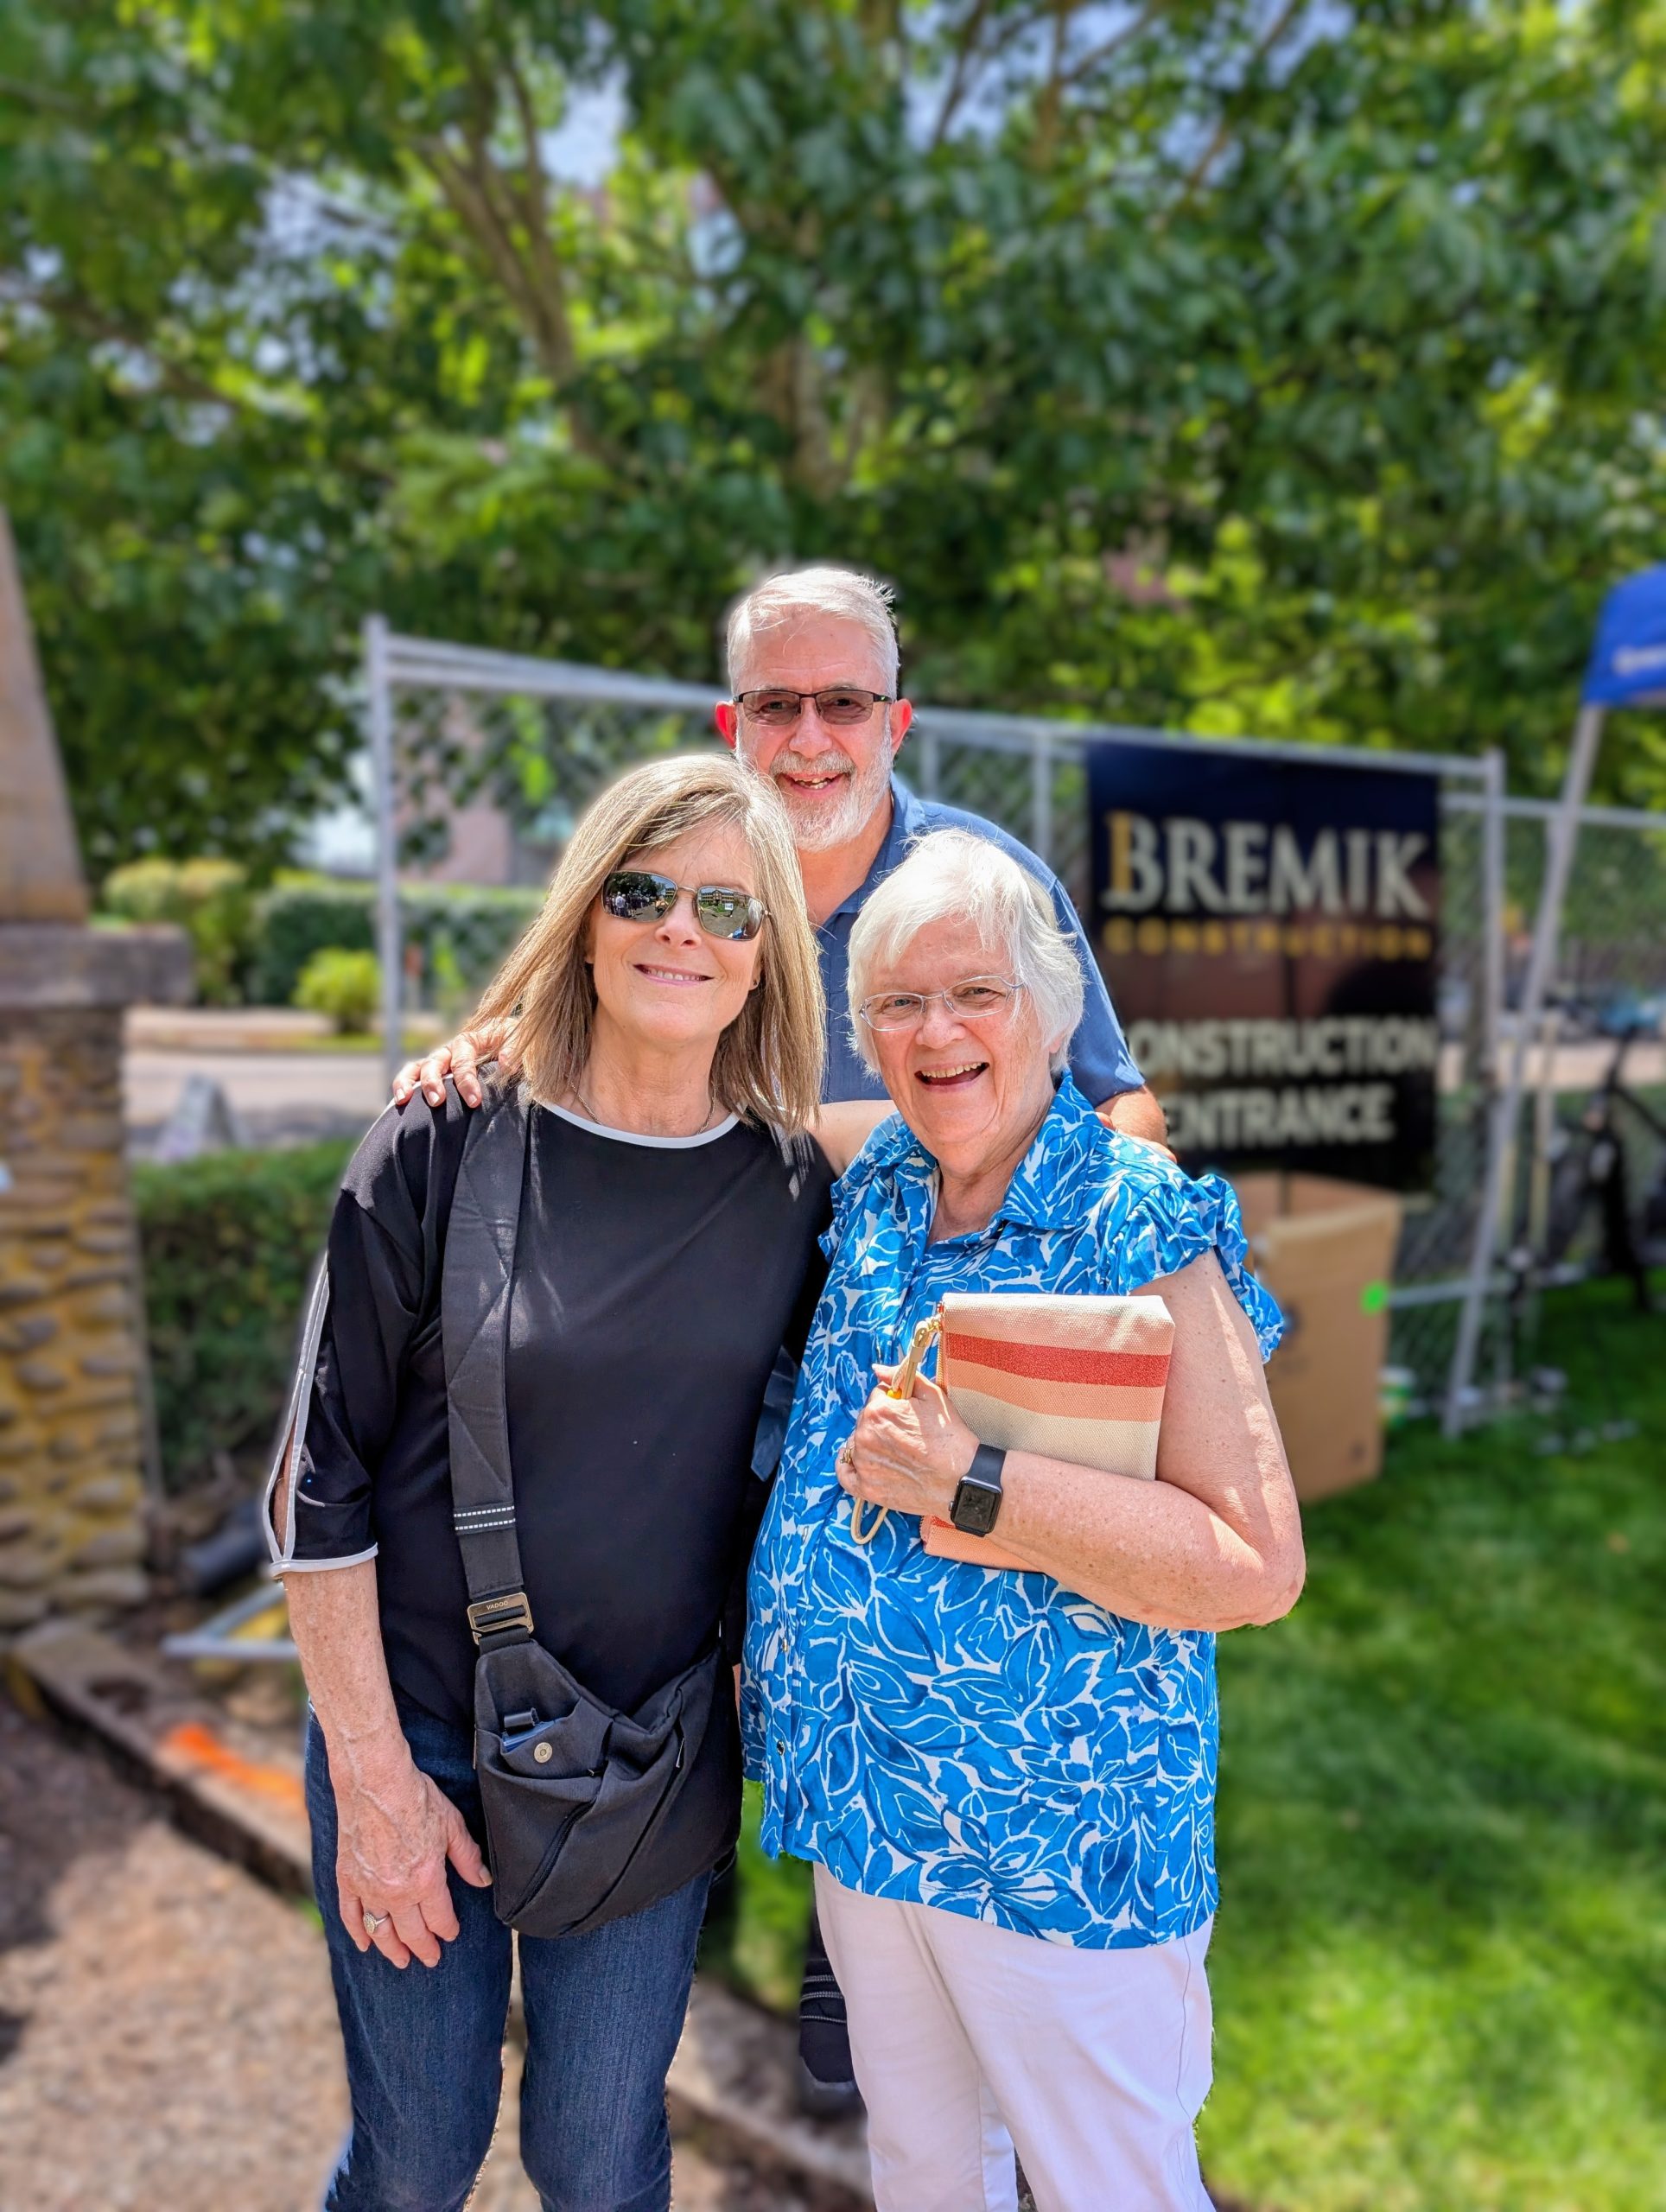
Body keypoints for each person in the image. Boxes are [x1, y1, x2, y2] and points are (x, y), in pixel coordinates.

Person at [392, 562, 1167, 2111]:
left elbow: (1123, 1114)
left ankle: (844, 1917)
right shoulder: (688, 870)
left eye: (845, 704)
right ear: (728, 720)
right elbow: (586, 1032)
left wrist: (842, 1151)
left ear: (899, 720)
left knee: (879, 1634)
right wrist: (490, 1054)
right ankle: (686, 1868)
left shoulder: (978, 881)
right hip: (691, 1339)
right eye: (777, 705)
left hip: (892, 1364)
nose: (811, 738)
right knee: (703, 1614)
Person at [266, 756, 862, 2212]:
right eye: (644, 892)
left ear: (767, 954)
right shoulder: (437, 1142)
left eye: (728, 908)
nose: (682, 930)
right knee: (418, 2160)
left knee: (598, 2162)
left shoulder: (796, 1192)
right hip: (419, 1740)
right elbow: (312, 1496)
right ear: (588, 914)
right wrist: (376, 1785)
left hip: (649, 1756)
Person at [743, 829, 1305, 2212]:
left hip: (1059, 1849)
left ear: (1053, 1015)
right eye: (899, 1004)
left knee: (1108, 2186)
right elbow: (696, 1096)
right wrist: (517, 1047)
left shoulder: (1134, 1217)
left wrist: (972, 1481)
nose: (937, 1033)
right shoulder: (887, 1183)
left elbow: (1254, 1564)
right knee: (925, 2174)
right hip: (871, 1816)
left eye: (975, 994)